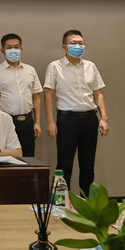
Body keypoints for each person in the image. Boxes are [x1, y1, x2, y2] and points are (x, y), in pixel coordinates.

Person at [44, 29, 110, 197]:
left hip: (89, 118)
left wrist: (104, 118)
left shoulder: (90, 66)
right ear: (64, 47)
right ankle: (60, 201)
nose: (78, 46)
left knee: (88, 165)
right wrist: (50, 121)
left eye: (80, 43)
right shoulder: (55, 66)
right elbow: (48, 94)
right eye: (73, 43)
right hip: (67, 119)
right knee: (64, 164)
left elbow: (98, 93)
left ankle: (86, 202)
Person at [0, 33, 42, 157]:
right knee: (6, 158)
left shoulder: (30, 70)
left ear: (21, 49)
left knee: (28, 158)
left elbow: (36, 97)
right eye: (9, 47)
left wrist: (37, 122)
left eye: (16, 47)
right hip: (5, 122)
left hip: (27, 121)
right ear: (3, 51)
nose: (13, 50)